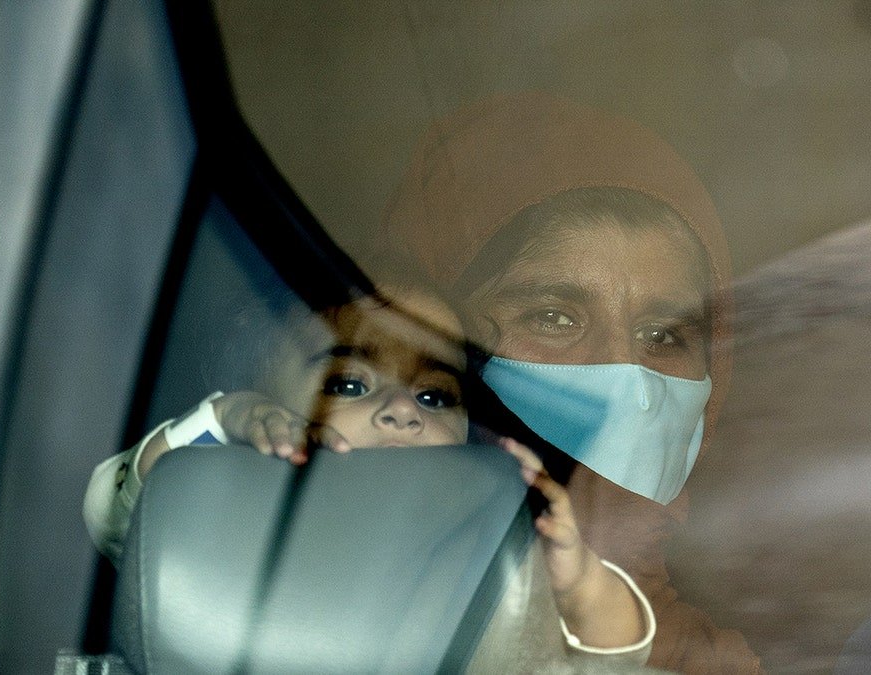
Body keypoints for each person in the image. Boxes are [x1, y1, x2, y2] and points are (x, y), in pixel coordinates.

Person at [373, 92, 762, 673]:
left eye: (663, 335)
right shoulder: (324, 593)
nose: (623, 376)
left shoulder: (713, 662)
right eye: (553, 318)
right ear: (436, 335)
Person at [84, 284, 659, 668]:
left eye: (435, 396)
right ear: (271, 408)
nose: (402, 410)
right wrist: (224, 418)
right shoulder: (233, 523)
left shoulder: (479, 558)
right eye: (350, 385)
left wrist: (578, 585)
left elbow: (608, 660)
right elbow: (119, 509)